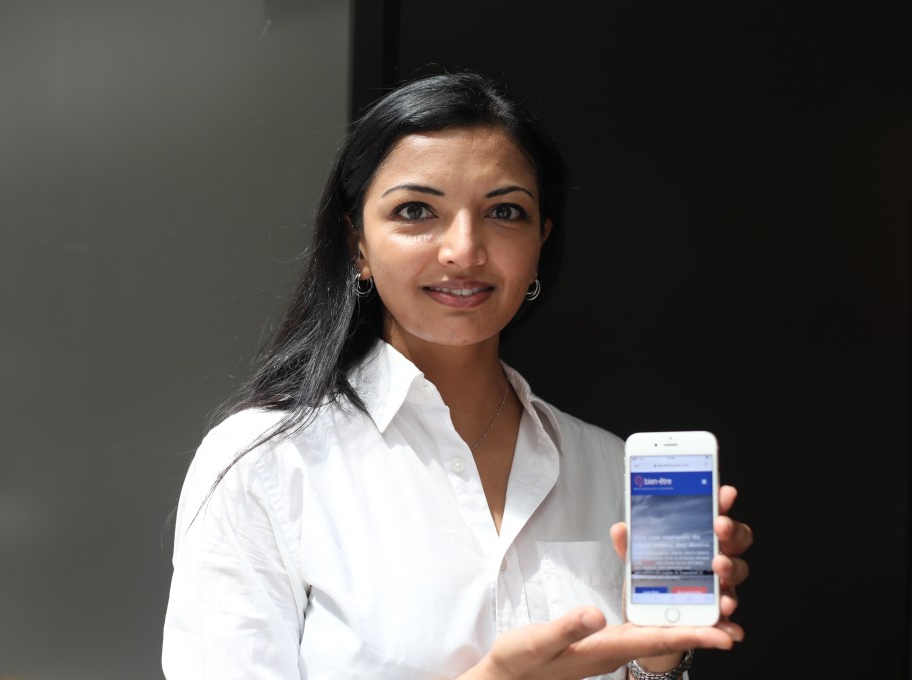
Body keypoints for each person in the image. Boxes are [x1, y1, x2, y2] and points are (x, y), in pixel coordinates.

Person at [161, 70, 753, 680]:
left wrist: (657, 658)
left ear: (540, 243)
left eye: (505, 211)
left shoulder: (611, 471)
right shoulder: (264, 463)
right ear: (357, 243)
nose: (464, 250)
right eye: (416, 210)